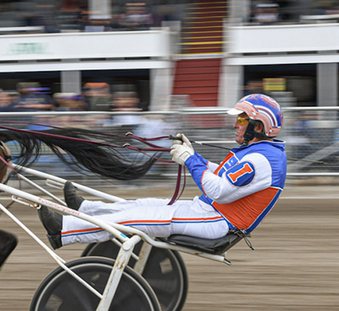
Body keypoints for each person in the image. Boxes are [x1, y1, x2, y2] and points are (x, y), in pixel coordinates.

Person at [38, 93, 287, 249]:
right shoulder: (261, 153)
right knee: (140, 205)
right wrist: (192, 155)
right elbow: (220, 174)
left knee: (132, 220)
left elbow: (218, 190)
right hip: (207, 212)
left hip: (216, 221)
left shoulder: (262, 160)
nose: (235, 124)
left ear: (259, 126)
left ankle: (64, 231)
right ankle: (86, 210)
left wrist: (190, 159)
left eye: (242, 120)